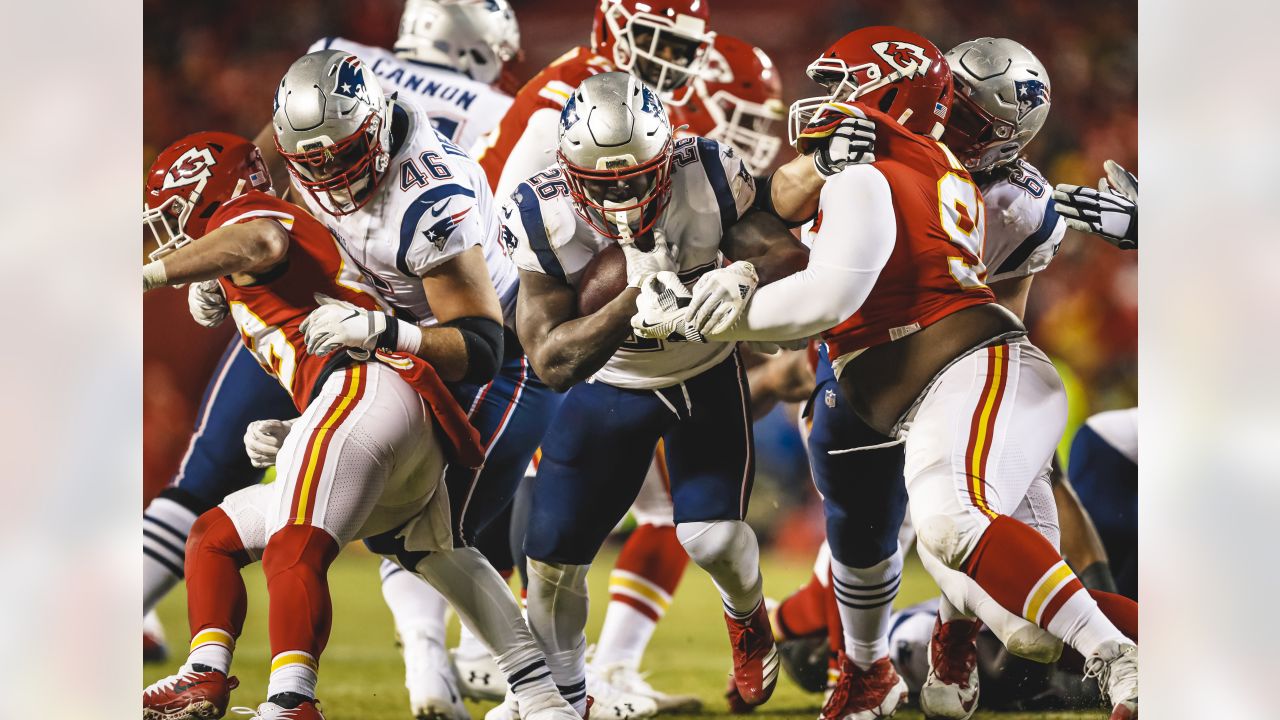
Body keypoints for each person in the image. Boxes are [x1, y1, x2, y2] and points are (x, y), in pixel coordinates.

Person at [641, 26, 1139, 720]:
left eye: (967, 115)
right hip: (868, 378)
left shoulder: (1009, 200)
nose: (949, 119)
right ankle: (919, 639)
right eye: (949, 101)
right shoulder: (877, 158)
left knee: (967, 546)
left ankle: (1016, 640)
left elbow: (960, 312)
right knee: (967, 603)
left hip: (950, 368)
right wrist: (825, 166)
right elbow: (782, 198)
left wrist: (718, 314)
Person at [142, 7, 525, 712]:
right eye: (308, 162)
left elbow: (258, 232)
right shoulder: (300, 153)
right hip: (349, 376)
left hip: (393, 359)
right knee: (218, 531)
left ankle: (293, 699)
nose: (329, 179)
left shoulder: (405, 192)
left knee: (318, 541)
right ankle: (205, 669)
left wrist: (156, 270)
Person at [500, 71, 814, 719]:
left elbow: (788, 252)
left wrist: (745, 274)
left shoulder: (708, 168)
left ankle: (748, 617)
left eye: (640, 176)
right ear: (567, 169)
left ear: (666, 155)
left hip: (703, 371)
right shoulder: (542, 211)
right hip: (609, 385)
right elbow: (552, 360)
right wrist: (628, 306)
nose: (625, 196)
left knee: (713, 539)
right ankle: (564, 696)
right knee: (551, 564)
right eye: (604, 183)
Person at [474, 0, 715, 200]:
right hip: (490, 222)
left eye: (681, 50)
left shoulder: (638, 98)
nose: (667, 60)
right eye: (654, 41)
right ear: (611, 28)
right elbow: (513, 201)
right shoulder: (580, 83)